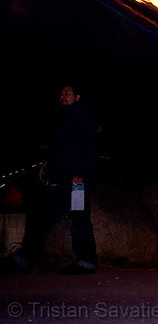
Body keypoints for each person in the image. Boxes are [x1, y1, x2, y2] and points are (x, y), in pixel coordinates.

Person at [12, 83, 99, 274]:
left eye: (67, 92)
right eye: (61, 93)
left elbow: (86, 148)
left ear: (77, 97)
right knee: (45, 217)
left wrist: (80, 175)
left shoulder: (81, 117)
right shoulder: (66, 118)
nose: (63, 96)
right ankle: (24, 259)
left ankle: (86, 261)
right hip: (60, 179)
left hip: (75, 181)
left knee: (78, 218)